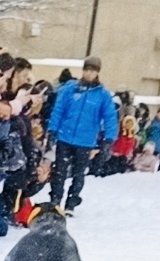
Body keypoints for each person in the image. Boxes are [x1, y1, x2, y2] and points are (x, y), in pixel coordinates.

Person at [45, 55, 117, 212]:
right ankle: (55, 200)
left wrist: (108, 139)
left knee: (79, 174)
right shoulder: (70, 89)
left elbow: (110, 117)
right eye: (87, 70)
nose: (89, 73)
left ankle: (71, 203)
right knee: (59, 171)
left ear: (98, 73)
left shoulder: (103, 95)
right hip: (65, 136)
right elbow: (58, 110)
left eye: (93, 71)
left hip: (85, 140)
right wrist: (52, 130)